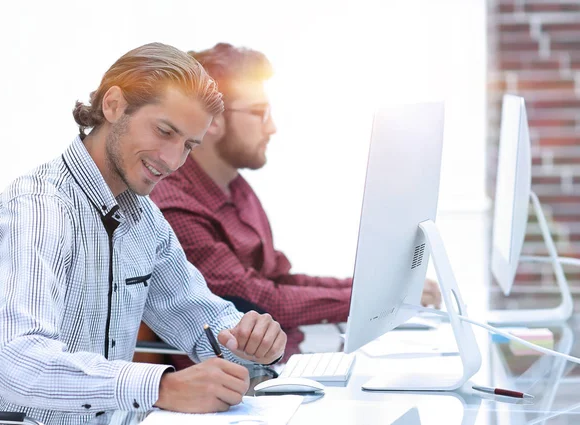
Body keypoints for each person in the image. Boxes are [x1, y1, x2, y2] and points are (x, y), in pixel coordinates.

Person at [0, 42, 286, 423]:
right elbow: (17, 362)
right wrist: (160, 387)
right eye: (164, 131)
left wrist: (253, 340)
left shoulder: (145, 220)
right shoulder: (40, 208)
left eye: (188, 146)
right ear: (113, 105)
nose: (173, 161)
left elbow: (201, 322)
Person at [144, 43, 441, 367]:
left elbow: (279, 279)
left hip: (285, 360)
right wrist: (380, 297)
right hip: (246, 382)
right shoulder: (175, 208)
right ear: (209, 119)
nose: (271, 128)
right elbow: (263, 301)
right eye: (259, 113)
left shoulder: (235, 187)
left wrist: (383, 287)